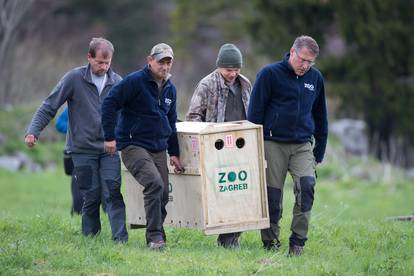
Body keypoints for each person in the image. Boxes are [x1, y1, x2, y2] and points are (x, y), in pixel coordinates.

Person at [25, 37, 128, 243]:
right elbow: (49, 106)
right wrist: (33, 131)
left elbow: (130, 114)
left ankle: (120, 241)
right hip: (82, 150)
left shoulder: (117, 82)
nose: (104, 67)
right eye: (100, 62)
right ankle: (91, 240)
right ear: (89, 57)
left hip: (110, 149)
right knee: (90, 195)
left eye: (107, 63)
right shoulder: (74, 79)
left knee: (113, 193)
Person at [248, 35, 328, 256]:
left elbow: (321, 116)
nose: (305, 66)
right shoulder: (269, 74)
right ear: (292, 52)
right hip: (272, 143)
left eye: (310, 62)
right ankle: (270, 242)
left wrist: (319, 150)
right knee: (272, 196)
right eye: (302, 60)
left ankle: (298, 242)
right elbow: (254, 114)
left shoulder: (316, 78)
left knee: (307, 187)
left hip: (302, 145)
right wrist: (255, 148)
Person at [101, 43, 184, 250]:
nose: (165, 67)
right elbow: (109, 104)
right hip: (132, 144)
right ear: (150, 61)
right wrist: (109, 137)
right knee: (154, 184)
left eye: (168, 62)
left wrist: (174, 152)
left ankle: (157, 233)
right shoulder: (134, 82)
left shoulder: (170, 89)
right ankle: (155, 237)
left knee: (163, 193)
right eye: (161, 62)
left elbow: (171, 121)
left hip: (158, 147)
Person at [186, 43, 251, 248]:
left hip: (241, 146)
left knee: (241, 191)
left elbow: (252, 114)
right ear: (219, 66)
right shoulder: (206, 85)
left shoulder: (246, 84)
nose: (232, 74)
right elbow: (193, 117)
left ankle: (232, 238)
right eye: (228, 69)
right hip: (215, 147)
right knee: (222, 193)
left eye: (236, 69)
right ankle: (226, 238)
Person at [55, 107, 82, 216]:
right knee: (78, 190)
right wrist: (75, 129)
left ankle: (104, 217)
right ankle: (76, 214)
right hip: (76, 153)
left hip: (102, 153)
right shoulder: (74, 107)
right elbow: (59, 123)